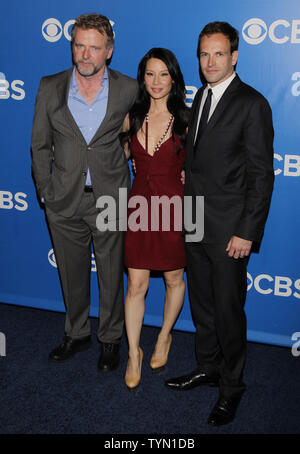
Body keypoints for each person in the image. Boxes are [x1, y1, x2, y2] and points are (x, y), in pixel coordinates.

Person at [165, 22, 274, 426]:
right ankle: (207, 368)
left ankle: (232, 388)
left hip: (230, 230)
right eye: (203, 54)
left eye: (218, 54)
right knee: (203, 306)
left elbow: (262, 175)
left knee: (228, 312)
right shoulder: (200, 94)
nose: (209, 62)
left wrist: (247, 230)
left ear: (235, 56)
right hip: (194, 222)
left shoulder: (252, 103)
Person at [31, 14, 137, 371]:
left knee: (111, 273)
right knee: (71, 273)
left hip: (110, 197)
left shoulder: (128, 88)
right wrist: (46, 189)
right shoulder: (50, 86)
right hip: (63, 199)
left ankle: (110, 340)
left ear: (108, 50)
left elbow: (145, 133)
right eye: (79, 45)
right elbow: (40, 145)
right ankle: (76, 333)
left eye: (94, 47)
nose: (86, 54)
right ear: (72, 46)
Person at [120, 48, 190, 391]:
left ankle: (164, 336)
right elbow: (113, 157)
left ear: (173, 78)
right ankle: (133, 352)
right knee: (136, 285)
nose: (156, 81)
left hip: (176, 208)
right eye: (150, 74)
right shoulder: (130, 117)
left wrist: (187, 178)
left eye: (163, 74)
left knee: (175, 278)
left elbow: (203, 166)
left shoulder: (187, 120)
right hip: (138, 207)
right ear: (142, 77)